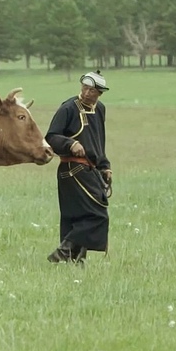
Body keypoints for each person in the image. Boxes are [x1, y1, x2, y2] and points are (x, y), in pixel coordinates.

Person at [45, 71, 112, 263]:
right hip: (72, 169)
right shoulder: (68, 108)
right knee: (98, 214)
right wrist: (70, 144)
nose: (86, 92)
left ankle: (76, 258)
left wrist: (105, 166)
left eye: (92, 90)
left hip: (91, 170)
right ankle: (65, 250)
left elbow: (99, 141)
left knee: (80, 215)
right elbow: (51, 137)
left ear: (100, 93)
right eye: (84, 87)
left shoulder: (100, 109)